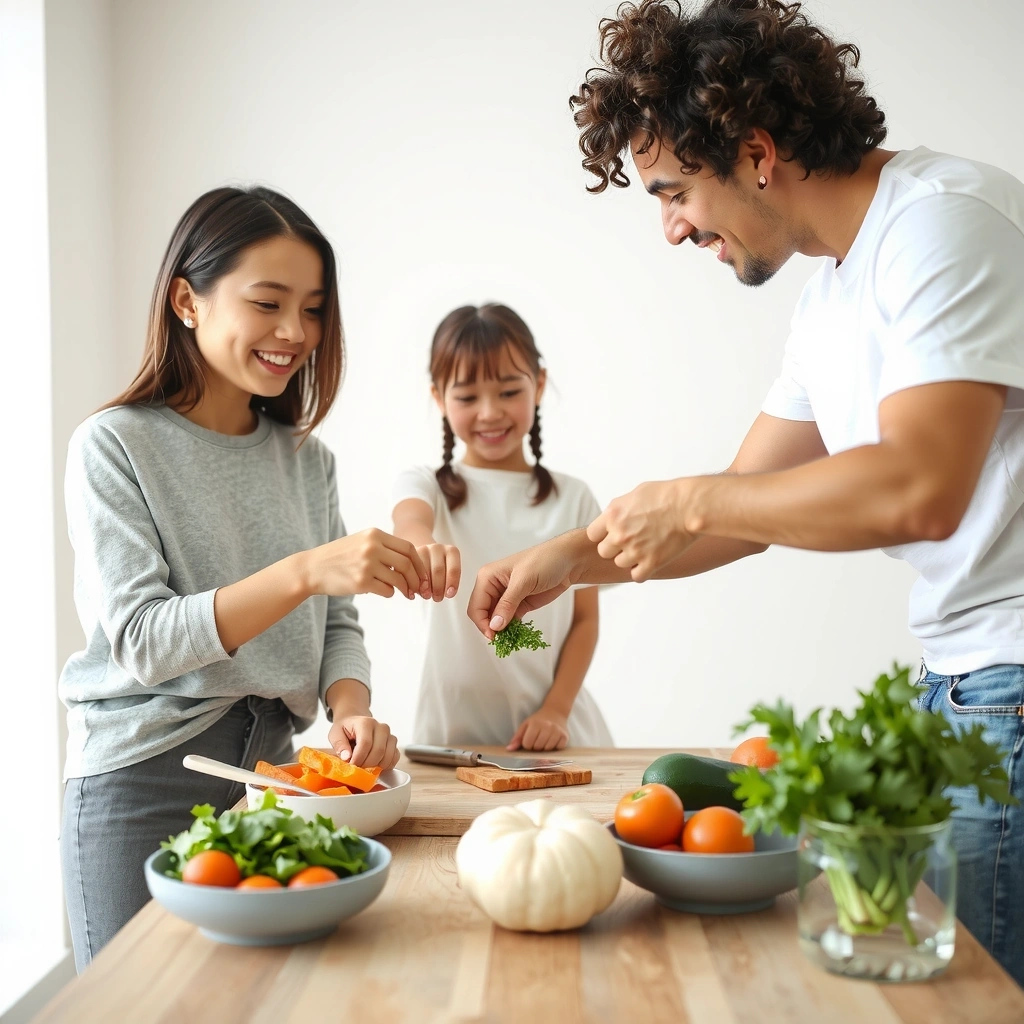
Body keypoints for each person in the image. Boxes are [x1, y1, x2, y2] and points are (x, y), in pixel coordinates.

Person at [466, 0, 1024, 986]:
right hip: (965, 689)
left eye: (673, 191)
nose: (674, 229)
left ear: (756, 152)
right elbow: (747, 504)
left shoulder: (942, 225)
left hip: (1008, 689)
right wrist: (569, 559)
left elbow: (919, 487)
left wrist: (687, 502)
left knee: (970, 999)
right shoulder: (829, 299)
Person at [59, 186, 430, 969]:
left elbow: (337, 622)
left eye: (315, 308)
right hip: (143, 779)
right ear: (187, 302)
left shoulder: (306, 459)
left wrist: (350, 709)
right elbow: (141, 642)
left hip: (277, 775)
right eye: (268, 303)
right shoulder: (113, 445)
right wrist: (302, 571)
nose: (295, 332)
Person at [392, 303, 613, 750]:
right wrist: (422, 545)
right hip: (449, 738)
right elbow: (410, 522)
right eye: (468, 397)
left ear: (539, 385)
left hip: (554, 736)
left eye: (509, 391)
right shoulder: (426, 485)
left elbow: (585, 621)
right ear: (438, 398)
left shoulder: (574, 498)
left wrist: (555, 711)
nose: (490, 412)